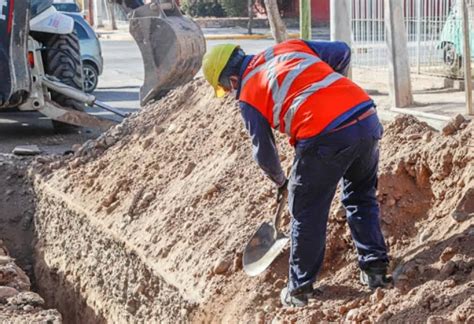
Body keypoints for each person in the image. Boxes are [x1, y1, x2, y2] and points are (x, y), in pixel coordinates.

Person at [202, 39, 390, 307]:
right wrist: (331, 91)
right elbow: (343, 52)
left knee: (306, 211)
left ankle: (300, 289)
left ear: (232, 80)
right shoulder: (288, 47)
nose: (229, 93)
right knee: (361, 196)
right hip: (365, 116)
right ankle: (375, 271)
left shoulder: (248, 94)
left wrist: (281, 182)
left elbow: (264, 153)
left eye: (224, 88)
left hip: (325, 133)